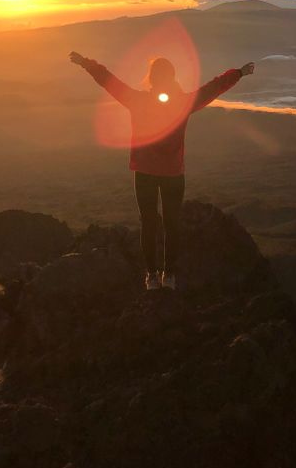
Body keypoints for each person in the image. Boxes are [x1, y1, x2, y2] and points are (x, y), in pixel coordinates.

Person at [70, 50, 255, 290]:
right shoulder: (183, 103)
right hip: (173, 174)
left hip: (144, 172)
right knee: (171, 224)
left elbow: (109, 81)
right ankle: (169, 275)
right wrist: (238, 73)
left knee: (149, 223)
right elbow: (213, 88)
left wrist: (86, 63)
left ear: (151, 78)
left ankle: (152, 276)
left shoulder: (138, 100)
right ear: (172, 77)